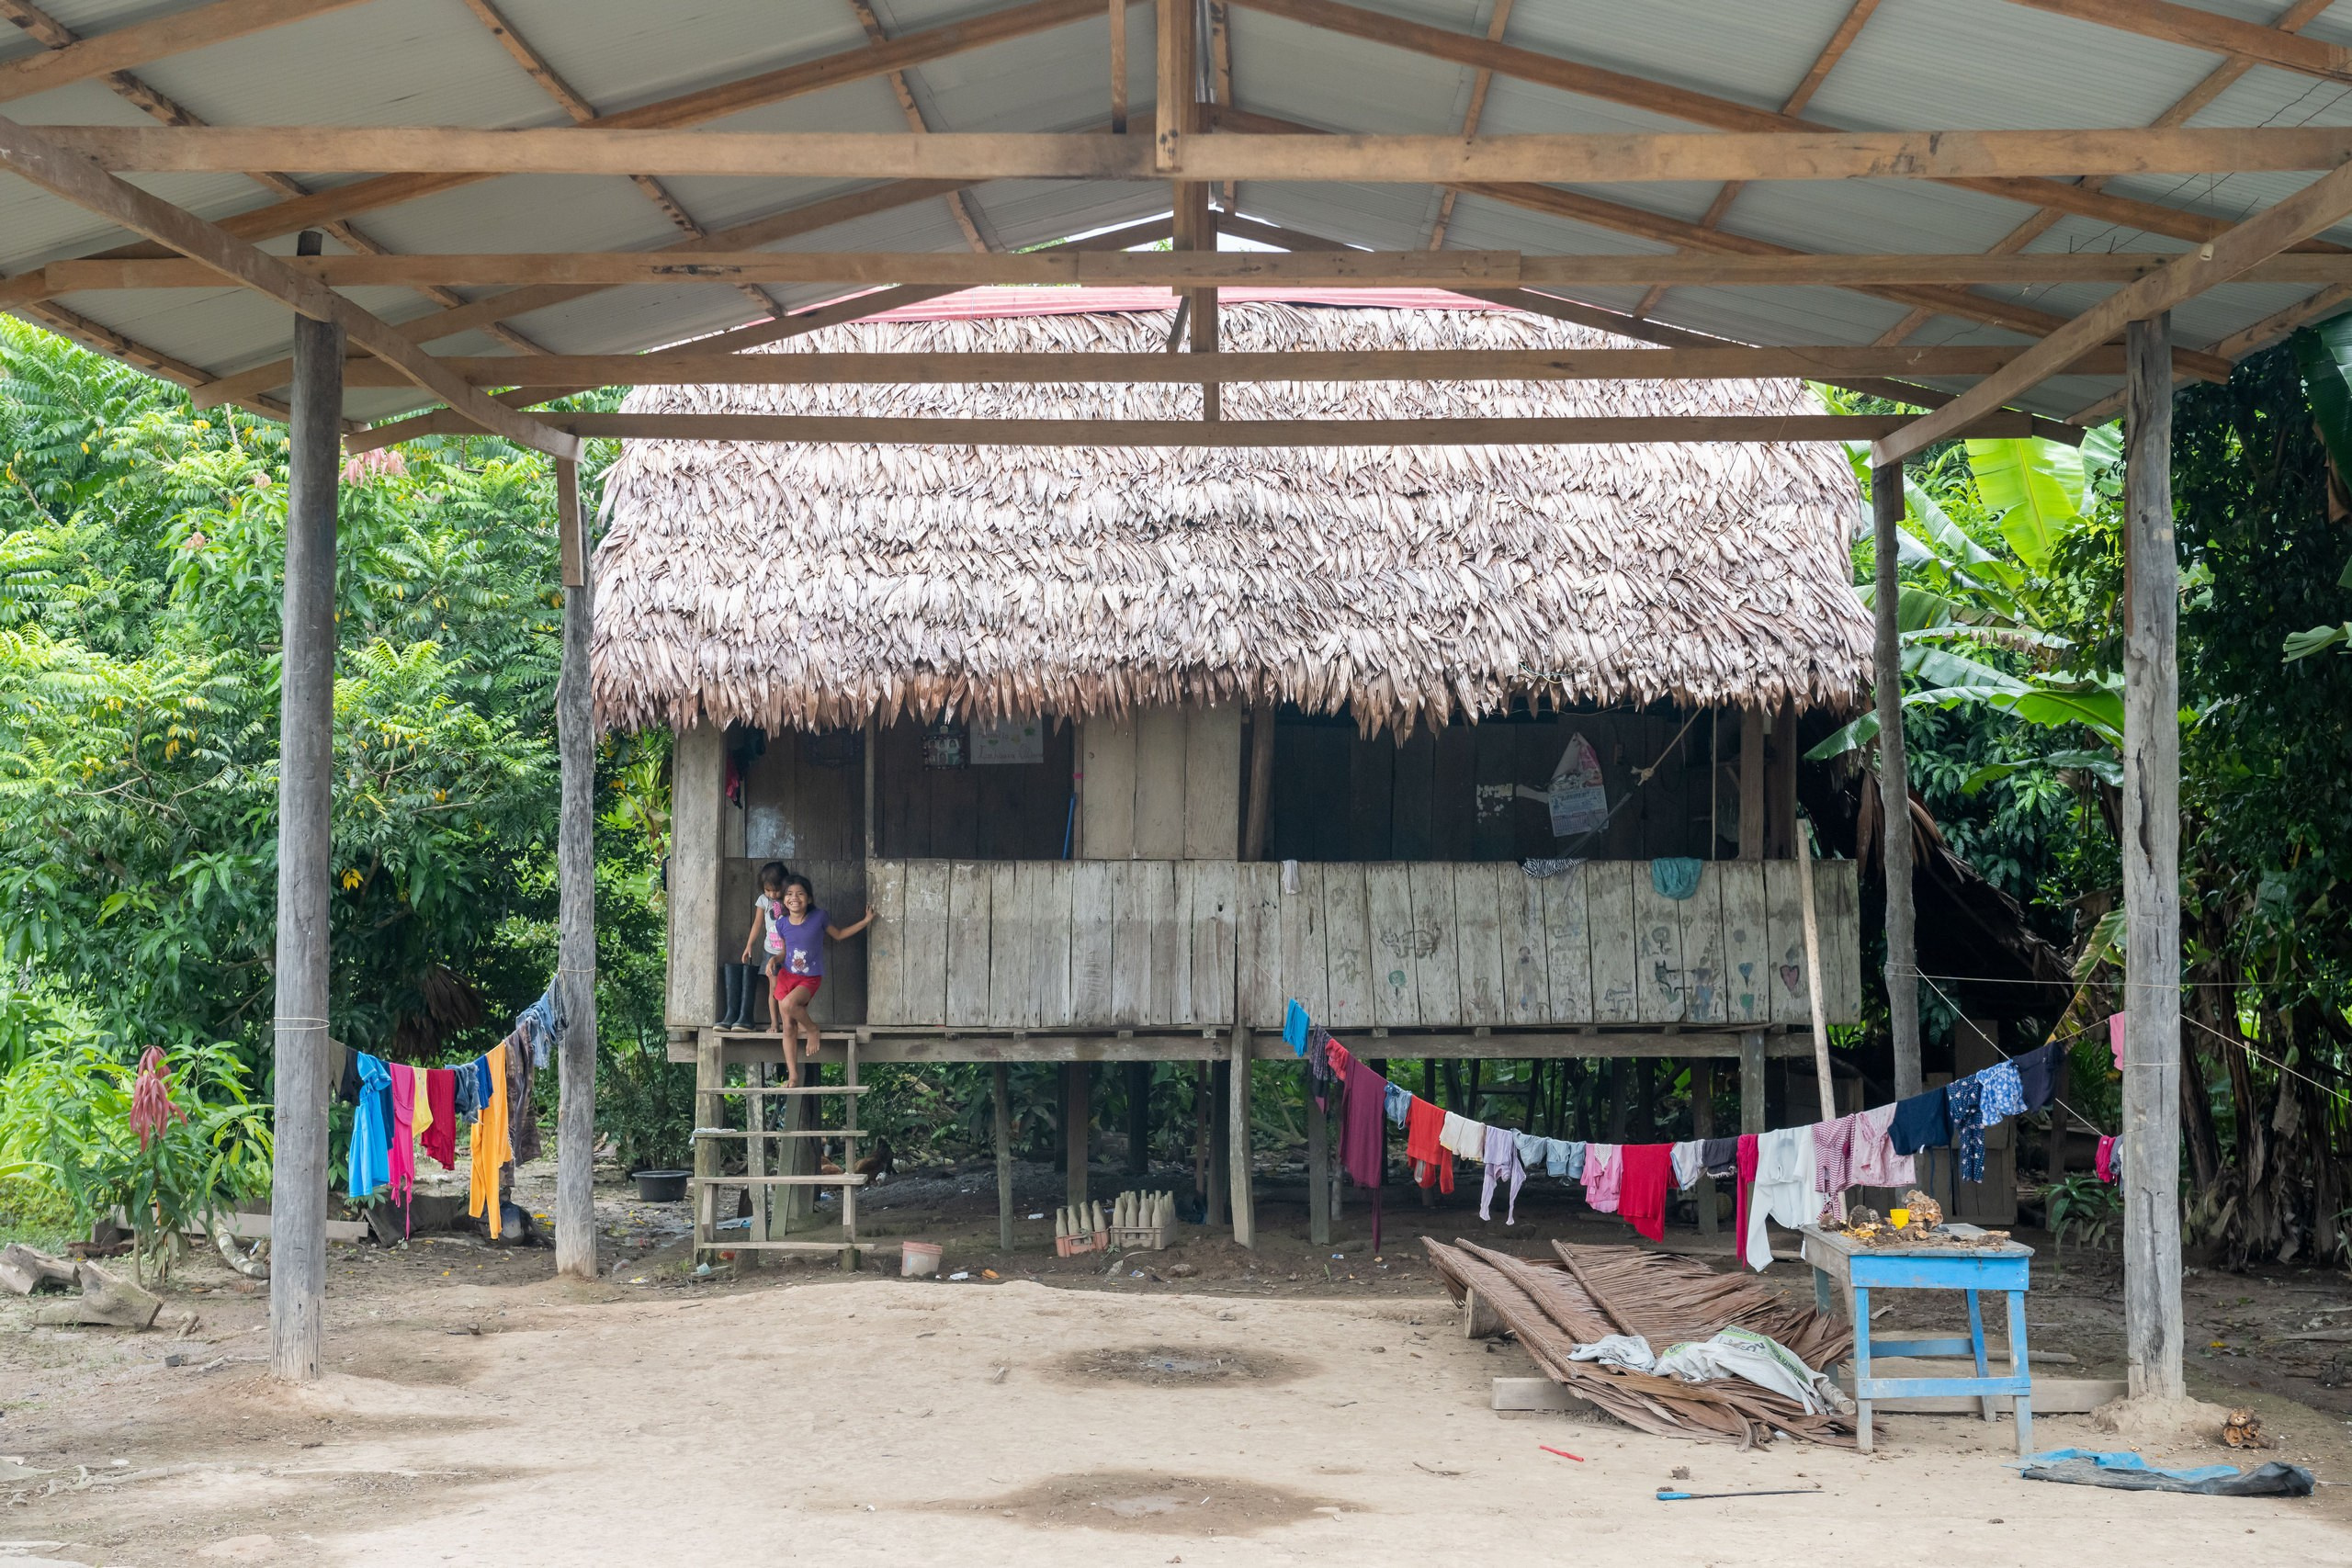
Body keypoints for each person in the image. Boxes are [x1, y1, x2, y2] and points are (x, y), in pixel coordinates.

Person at [771, 874, 875, 1087]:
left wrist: (865, 921)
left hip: (809, 978)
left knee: (789, 1004)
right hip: (786, 976)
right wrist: (774, 959)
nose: (794, 898)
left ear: (809, 898)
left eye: (800, 894)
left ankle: (812, 1028)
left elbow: (839, 934)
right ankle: (793, 1075)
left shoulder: (819, 917)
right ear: (784, 900)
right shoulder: (781, 924)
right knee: (788, 1027)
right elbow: (784, 952)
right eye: (789, 894)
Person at [739, 862, 793, 1033]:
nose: (772, 894)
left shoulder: (790, 898)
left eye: (775, 890)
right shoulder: (763, 900)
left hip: (790, 952)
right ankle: (774, 1024)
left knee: (790, 989)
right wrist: (749, 945)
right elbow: (757, 923)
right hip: (771, 951)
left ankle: (789, 1023)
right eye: (767, 890)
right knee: (774, 989)